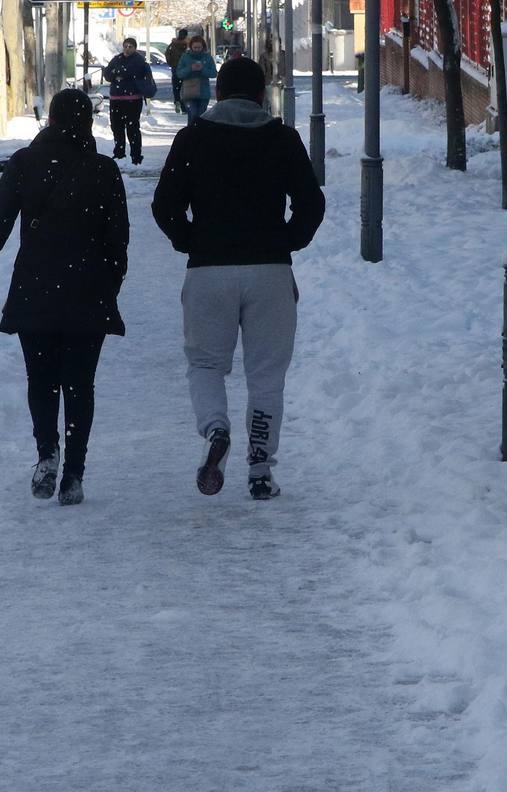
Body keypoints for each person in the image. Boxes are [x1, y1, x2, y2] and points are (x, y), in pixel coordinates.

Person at [150, 58, 324, 501]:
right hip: (269, 271)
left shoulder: (193, 139)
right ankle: (261, 472)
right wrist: (287, 240)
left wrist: (191, 241)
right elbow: (310, 202)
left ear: (218, 93)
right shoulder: (282, 139)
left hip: (209, 270)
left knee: (206, 364)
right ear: (262, 94)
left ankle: (215, 431)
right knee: (266, 375)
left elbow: (164, 204)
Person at [0, 89, 129, 506]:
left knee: (41, 379)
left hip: (36, 289)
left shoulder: (25, 164)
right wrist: (107, 285)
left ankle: (46, 452)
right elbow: (118, 242)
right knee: (80, 384)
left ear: (49, 121)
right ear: (87, 124)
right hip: (87, 292)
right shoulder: (104, 170)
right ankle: (74, 474)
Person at [100, 37, 155, 165]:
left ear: (135, 48)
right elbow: (107, 74)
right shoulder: (117, 59)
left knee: (132, 127)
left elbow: (132, 72)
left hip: (133, 99)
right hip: (116, 98)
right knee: (116, 127)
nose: (127, 49)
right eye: (125, 46)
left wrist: (119, 72)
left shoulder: (138, 60)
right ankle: (119, 153)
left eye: (130, 46)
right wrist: (116, 72)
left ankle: (136, 155)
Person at [175, 35, 216, 125]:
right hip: (189, 92)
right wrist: (190, 68)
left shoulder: (207, 57)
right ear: (191, 47)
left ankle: (200, 135)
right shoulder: (185, 57)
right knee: (192, 115)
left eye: (199, 47)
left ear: (203, 47)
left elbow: (213, 73)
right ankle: (191, 134)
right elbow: (179, 73)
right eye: (195, 47)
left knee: (201, 116)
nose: (197, 49)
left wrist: (202, 69)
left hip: (203, 92)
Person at [165, 28, 190, 113]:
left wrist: (170, 63)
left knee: (176, 87)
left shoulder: (173, 43)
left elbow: (167, 53)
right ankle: (184, 107)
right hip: (185, 68)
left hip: (175, 67)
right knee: (185, 88)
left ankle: (177, 101)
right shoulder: (187, 44)